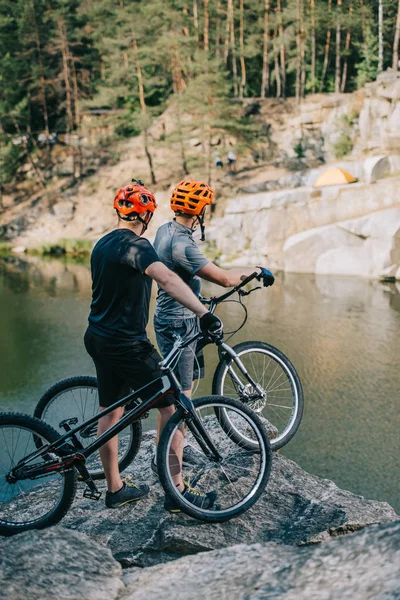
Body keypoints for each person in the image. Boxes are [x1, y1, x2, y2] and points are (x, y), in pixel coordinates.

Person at [83, 179, 222, 511]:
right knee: (171, 406)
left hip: (97, 337)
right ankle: (176, 492)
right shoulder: (138, 246)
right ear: (145, 217)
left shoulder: (101, 244)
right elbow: (168, 278)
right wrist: (202, 311)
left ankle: (115, 488)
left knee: (111, 410)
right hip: (128, 344)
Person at [152, 180, 274, 468]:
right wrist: (256, 270)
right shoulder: (182, 243)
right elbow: (225, 278)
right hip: (179, 323)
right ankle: (171, 468)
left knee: (184, 389)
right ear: (200, 211)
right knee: (180, 400)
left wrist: (201, 300)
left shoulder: (165, 230)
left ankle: (167, 453)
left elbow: (179, 276)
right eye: (205, 206)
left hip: (181, 317)